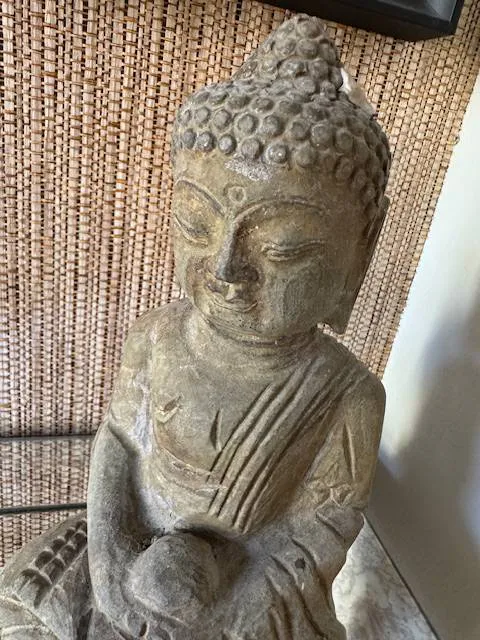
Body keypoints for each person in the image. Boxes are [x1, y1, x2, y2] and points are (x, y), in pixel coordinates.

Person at [0, 14, 390, 639]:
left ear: (360, 253)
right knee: (22, 612)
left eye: (283, 249)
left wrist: (228, 613)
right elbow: (118, 444)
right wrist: (109, 566)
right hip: (129, 547)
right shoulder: (157, 336)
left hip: (249, 581)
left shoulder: (349, 396)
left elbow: (318, 529)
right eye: (195, 226)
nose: (227, 268)